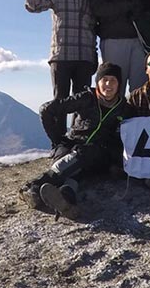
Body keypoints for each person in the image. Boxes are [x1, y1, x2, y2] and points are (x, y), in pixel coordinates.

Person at [20, 61, 134, 217]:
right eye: (104, 79)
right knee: (73, 166)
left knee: (83, 155)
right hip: (73, 145)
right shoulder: (87, 98)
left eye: (113, 80)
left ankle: (34, 187)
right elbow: (46, 110)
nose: (108, 84)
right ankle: (66, 198)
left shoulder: (123, 108)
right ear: (98, 82)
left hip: (97, 153)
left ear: (119, 84)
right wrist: (57, 141)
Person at [24, 0, 97, 101]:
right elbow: (33, 6)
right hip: (62, 56)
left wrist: (94, 54)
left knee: (82, 103)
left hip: (85, 57)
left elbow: (95, 27)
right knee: (60, 102)